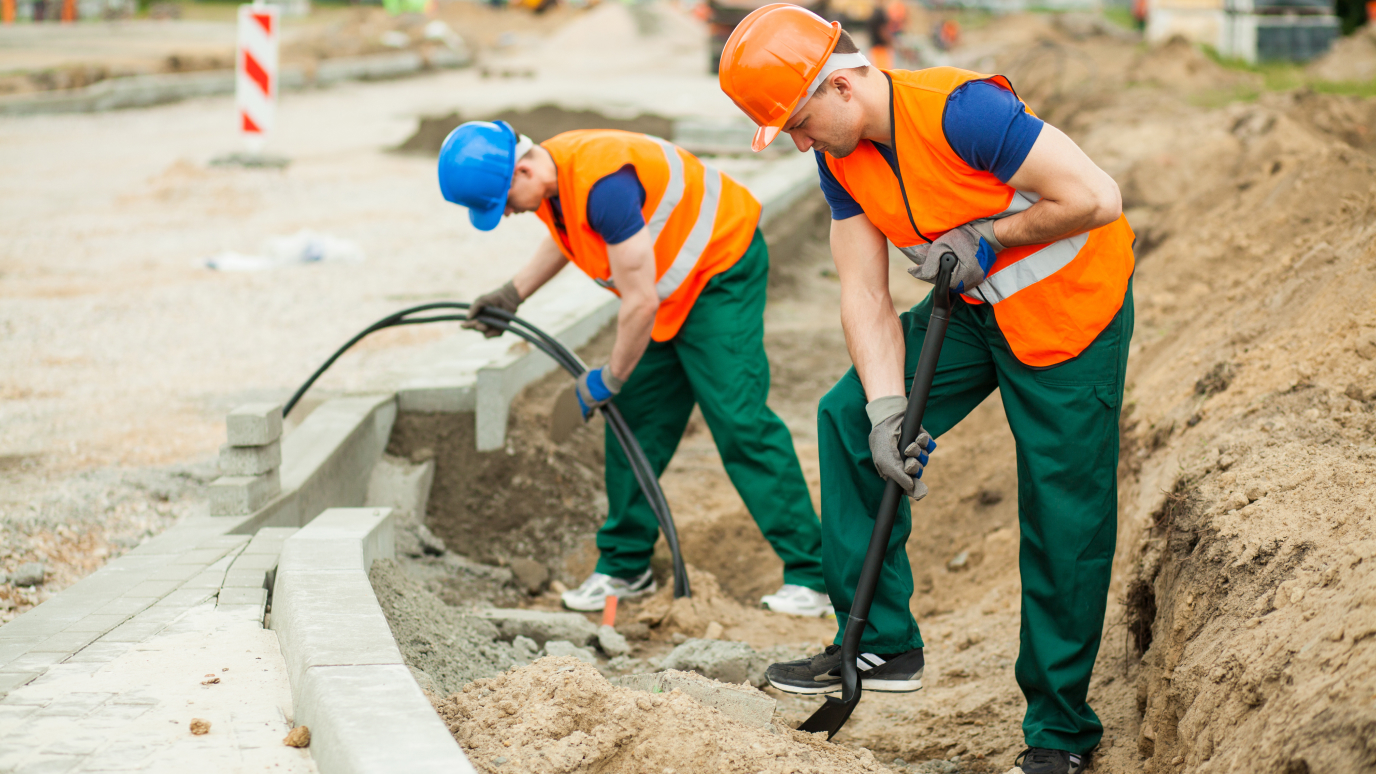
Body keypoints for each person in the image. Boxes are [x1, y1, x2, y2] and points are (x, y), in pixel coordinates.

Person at [718, 6, 1134, 773]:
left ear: (842, 85)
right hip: (973, 312)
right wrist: (886, 411)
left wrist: (991, 238)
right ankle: (879, 643)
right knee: (846, 417)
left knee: (1061, 508)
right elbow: (863, 292)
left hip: (1067, 315)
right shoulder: (839, 156)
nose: (802, 141)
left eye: (801, 122)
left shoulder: (963, 112)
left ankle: (1060, 732)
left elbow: (1098, 196)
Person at [436, 121, 832, 617]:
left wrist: (610, 377)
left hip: (718, 271)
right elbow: (570, 235)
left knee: (739, 421)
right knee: (633, 423)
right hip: (668, 286)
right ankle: (626, 567)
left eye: (504, 200)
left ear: (522, 167)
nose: (508, 212)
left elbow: (639, 303)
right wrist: (512, 295)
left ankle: (813, 576)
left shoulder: (605, 186)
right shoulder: (555, 178)